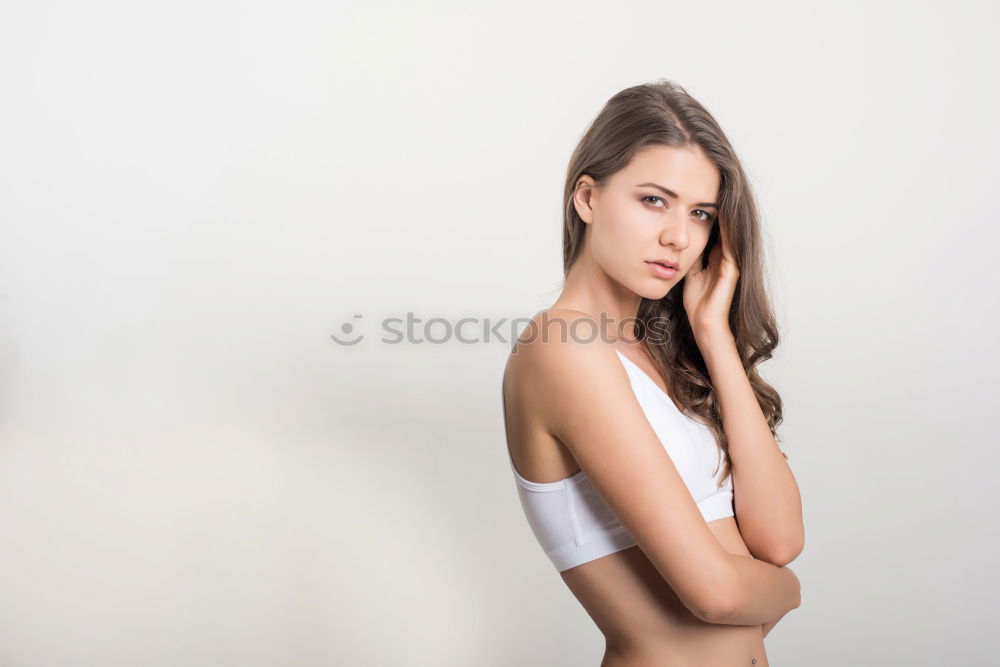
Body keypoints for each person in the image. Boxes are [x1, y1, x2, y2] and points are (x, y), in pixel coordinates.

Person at [501, 79, 804, 666]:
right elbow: (715, 593)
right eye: (654, 200)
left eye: (701, 214)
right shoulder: (560, 347)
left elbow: (780, 537)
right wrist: (790, 591)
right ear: (587, 198)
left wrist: (714, 337)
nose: (679, 237)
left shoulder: (661, 356)